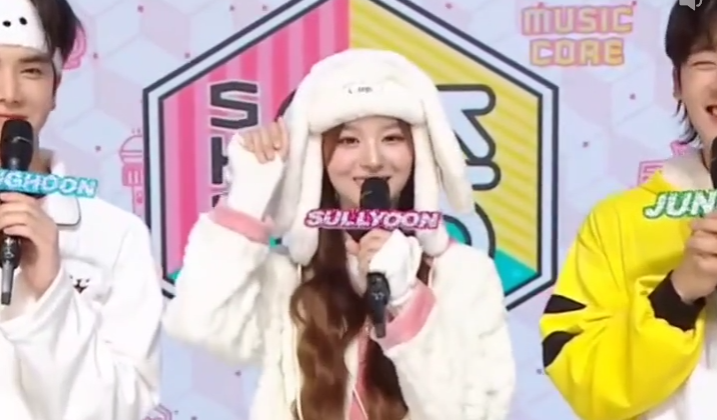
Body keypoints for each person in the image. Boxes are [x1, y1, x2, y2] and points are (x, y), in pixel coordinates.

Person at [164, 49, 515, 420]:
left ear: (418, 152)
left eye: (391, 138)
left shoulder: (464, 274)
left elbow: (479, 412)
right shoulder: (290, 275)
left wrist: (406, 300)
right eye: (349, 141)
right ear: (318, 156)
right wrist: (246, 199)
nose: (373, 160)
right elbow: (199, 326)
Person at [540, 1, 717, 419]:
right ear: (676, 82)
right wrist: (677, 294)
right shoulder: (617, 222)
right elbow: (585, 382)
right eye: (706, 63)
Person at [0, 0, 162, 418]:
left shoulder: (116, 237)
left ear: (55, 88)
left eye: (31, 71)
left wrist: (51, 290)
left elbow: (122, 409)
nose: (10, 93)